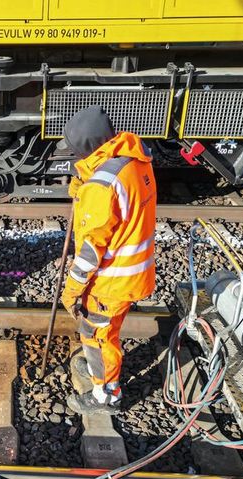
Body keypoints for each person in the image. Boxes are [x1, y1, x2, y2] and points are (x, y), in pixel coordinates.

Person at [60, 105, 157, 415]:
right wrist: (84, 185)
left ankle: (106, 396)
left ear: (88, 148)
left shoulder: (101, 186)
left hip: (112, 279)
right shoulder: (134, 161)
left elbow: (90, 250)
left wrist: (72, 289)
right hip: (135, 271)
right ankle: (99, 371)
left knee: (98, 335)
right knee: (106, 331)